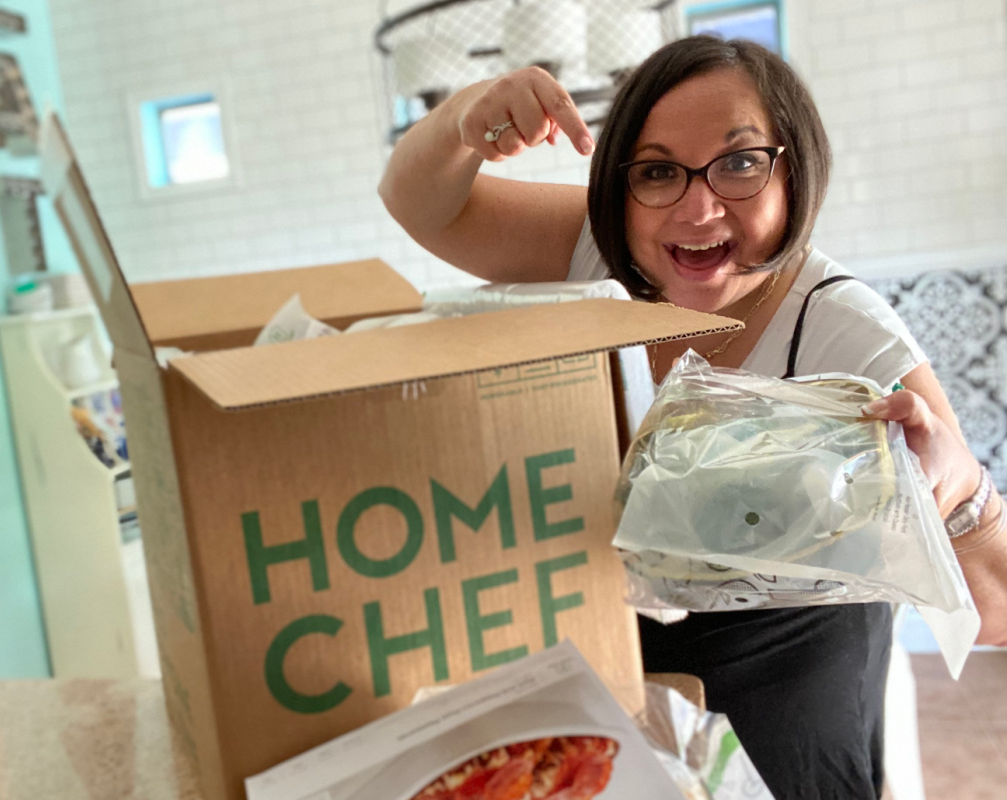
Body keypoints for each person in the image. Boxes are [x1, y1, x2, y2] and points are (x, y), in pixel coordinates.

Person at [379, 36, 1007, 800]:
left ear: (794, 174)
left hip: (788, 697)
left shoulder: (846, 330)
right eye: (656, 171)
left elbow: (997, 609)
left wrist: (959, 493)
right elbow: (419, 201)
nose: (697, 207)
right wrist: (461, 122)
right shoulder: (597, 254)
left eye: (740, 163)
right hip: (620, 663)